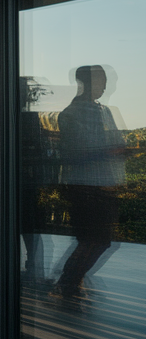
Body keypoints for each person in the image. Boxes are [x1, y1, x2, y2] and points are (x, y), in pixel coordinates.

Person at [53, 65, 126, 302]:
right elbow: (75, 152)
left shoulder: (103, 111)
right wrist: (112, 151)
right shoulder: (71, 114)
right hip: (85, 186)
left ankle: (69, 284)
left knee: (97, 240)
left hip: (102, 184)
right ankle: (67, 284)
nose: (105, 86)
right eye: (101, 80)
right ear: (85, 82)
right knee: (96, 240)